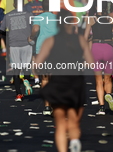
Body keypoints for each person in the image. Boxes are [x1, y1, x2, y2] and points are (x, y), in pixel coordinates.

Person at [35, 9, 94, 152]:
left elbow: (36, 66)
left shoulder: (50, 41)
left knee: (60, 123)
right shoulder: (79, 39)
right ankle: (74, 141)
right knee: (74, 121)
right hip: (75, 83)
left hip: (58, 83)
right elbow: (91, 63)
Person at [84, 1, 113, 115]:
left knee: (98, 81)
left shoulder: (92, 20)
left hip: (96, 48)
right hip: (109, 48)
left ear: (95, 7)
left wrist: (91, 40)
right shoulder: (111, 19)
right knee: (108, 78)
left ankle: (102, 107)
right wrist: (110, 41)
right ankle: (108, 94)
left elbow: (85, 37)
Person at [29, 0, 58, 116]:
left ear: (42, 7)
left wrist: (31, 37)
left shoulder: (39, 17)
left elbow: (35, 29)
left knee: (45, 78)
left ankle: (47, 106)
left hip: (41, 49)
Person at [0, 0, 33, 101]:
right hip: (27, 43)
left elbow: (2, 29)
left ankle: (19, 94)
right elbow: (34, 27)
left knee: (16, 69)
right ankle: (27, 80)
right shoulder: (29, 14)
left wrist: (8, 38)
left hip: (14, 44)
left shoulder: (8, 15)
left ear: (14, 4)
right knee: (27, 66)